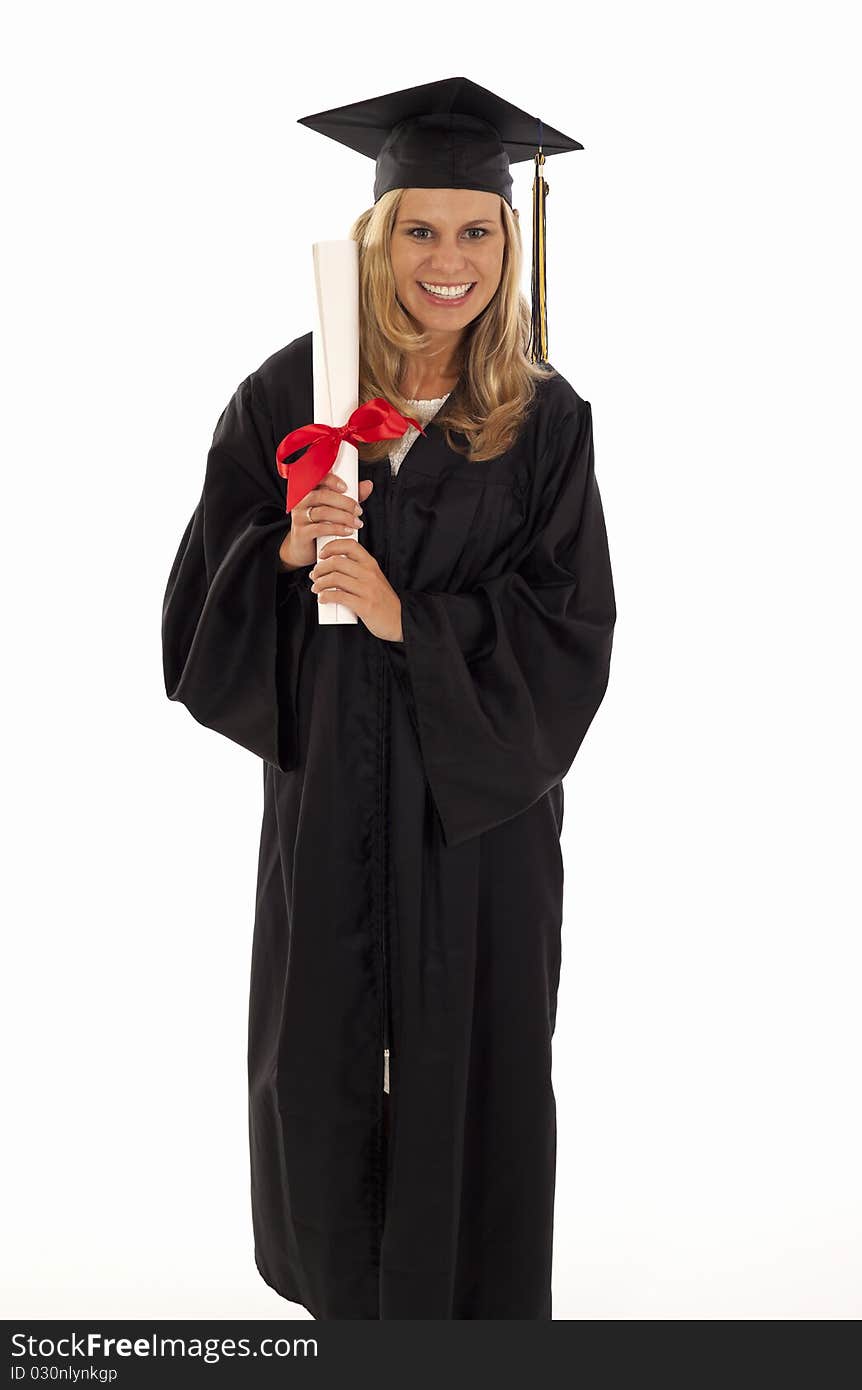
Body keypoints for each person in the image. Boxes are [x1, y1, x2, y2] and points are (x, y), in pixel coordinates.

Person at [161, 76, 617, 1320]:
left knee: (474, 1065)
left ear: (508, 244)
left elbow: (573, 626)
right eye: (420, 228)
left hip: (479, 817)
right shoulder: (287, 394)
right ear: (378, 235)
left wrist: (409, 617)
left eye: (476, 230)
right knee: (323, 1060)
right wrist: (292, 554)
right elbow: (197, 610)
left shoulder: (545, 419)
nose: (448, 259)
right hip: (329, 804)